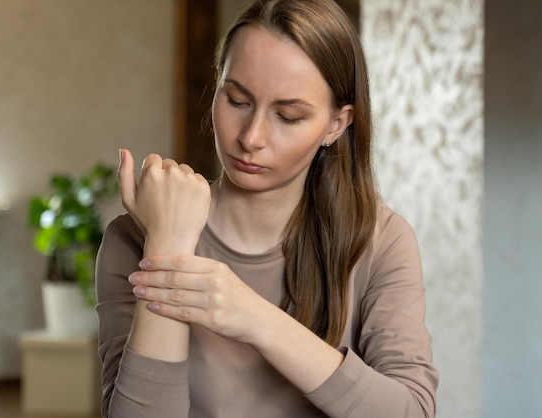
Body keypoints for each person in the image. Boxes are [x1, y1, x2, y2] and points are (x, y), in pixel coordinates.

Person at [95, 0, 439, 416]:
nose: (252, 137)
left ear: (336, 124)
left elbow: (411, 411)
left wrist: (253, 317)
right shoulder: (135, 235)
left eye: (288, 116)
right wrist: (167, 246)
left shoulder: (380, 240)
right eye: (237, 100)